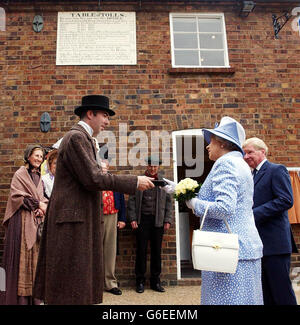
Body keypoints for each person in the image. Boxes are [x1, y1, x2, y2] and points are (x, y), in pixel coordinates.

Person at [33, 95, 154, 305]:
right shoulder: (77, 137)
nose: (107, 122)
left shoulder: (83, 138)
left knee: (75, 285)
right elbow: (94, 178)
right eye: (105, 116)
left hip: (76, 219)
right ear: (90, 114)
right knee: (70, 286)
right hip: (72, 221)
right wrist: (133, 181)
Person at [164, 117, 264, 305]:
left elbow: (224, 208)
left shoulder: (225, 164)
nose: (208, 146)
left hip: (227, 251)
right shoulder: (240, 164)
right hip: (243, 248)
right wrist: (179, 189)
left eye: (211, 141)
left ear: (223, 143)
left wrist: (192, 202)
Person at [242, 137, 298, 305]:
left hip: (275, 244)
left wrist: (253, 214)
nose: (246, 157)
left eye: (250, 152)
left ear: (262, 152)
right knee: (265, 294)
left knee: (281, 293)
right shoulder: (249, 176)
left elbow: (286, 200)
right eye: (244, 153)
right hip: (257, 245)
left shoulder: (276, 170)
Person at [2, 144, 48, 305]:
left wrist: (41, 209)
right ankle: (19, 300)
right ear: (28, 156)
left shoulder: (39, 177)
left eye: (41, 157)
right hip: (20, 223)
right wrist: (38, 205)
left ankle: (33, 298)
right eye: (36, 155)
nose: (39, 159)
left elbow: (42, 199)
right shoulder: (19, 174)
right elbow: (17, 197)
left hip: (35, 223)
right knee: (21, 259)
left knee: (35, 259)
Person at [127, 156, 172, 294]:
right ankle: (140, 281)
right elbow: (132, 201)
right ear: (147, 166)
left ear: (158, 167)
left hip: (158, 221)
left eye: (155, 166)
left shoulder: (163, 183)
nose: (153, 168)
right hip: (142, 221)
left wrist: (167, 220)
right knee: (141, 251)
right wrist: (133, 218)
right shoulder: (140, 181)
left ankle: (155, 282)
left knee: (156, 252)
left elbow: (169, 203)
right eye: (150, 166)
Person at [101, 158, 126, 295]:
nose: (103, 172)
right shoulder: (94, 181)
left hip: (112, 216)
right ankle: (95, 283)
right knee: (95, 251)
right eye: (100, 169)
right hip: (97, 217)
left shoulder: (114, 181)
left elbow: (121, 200)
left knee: (110, 251)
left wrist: (122, 218)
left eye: (105, 169)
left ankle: (110, 283)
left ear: (108, 168)